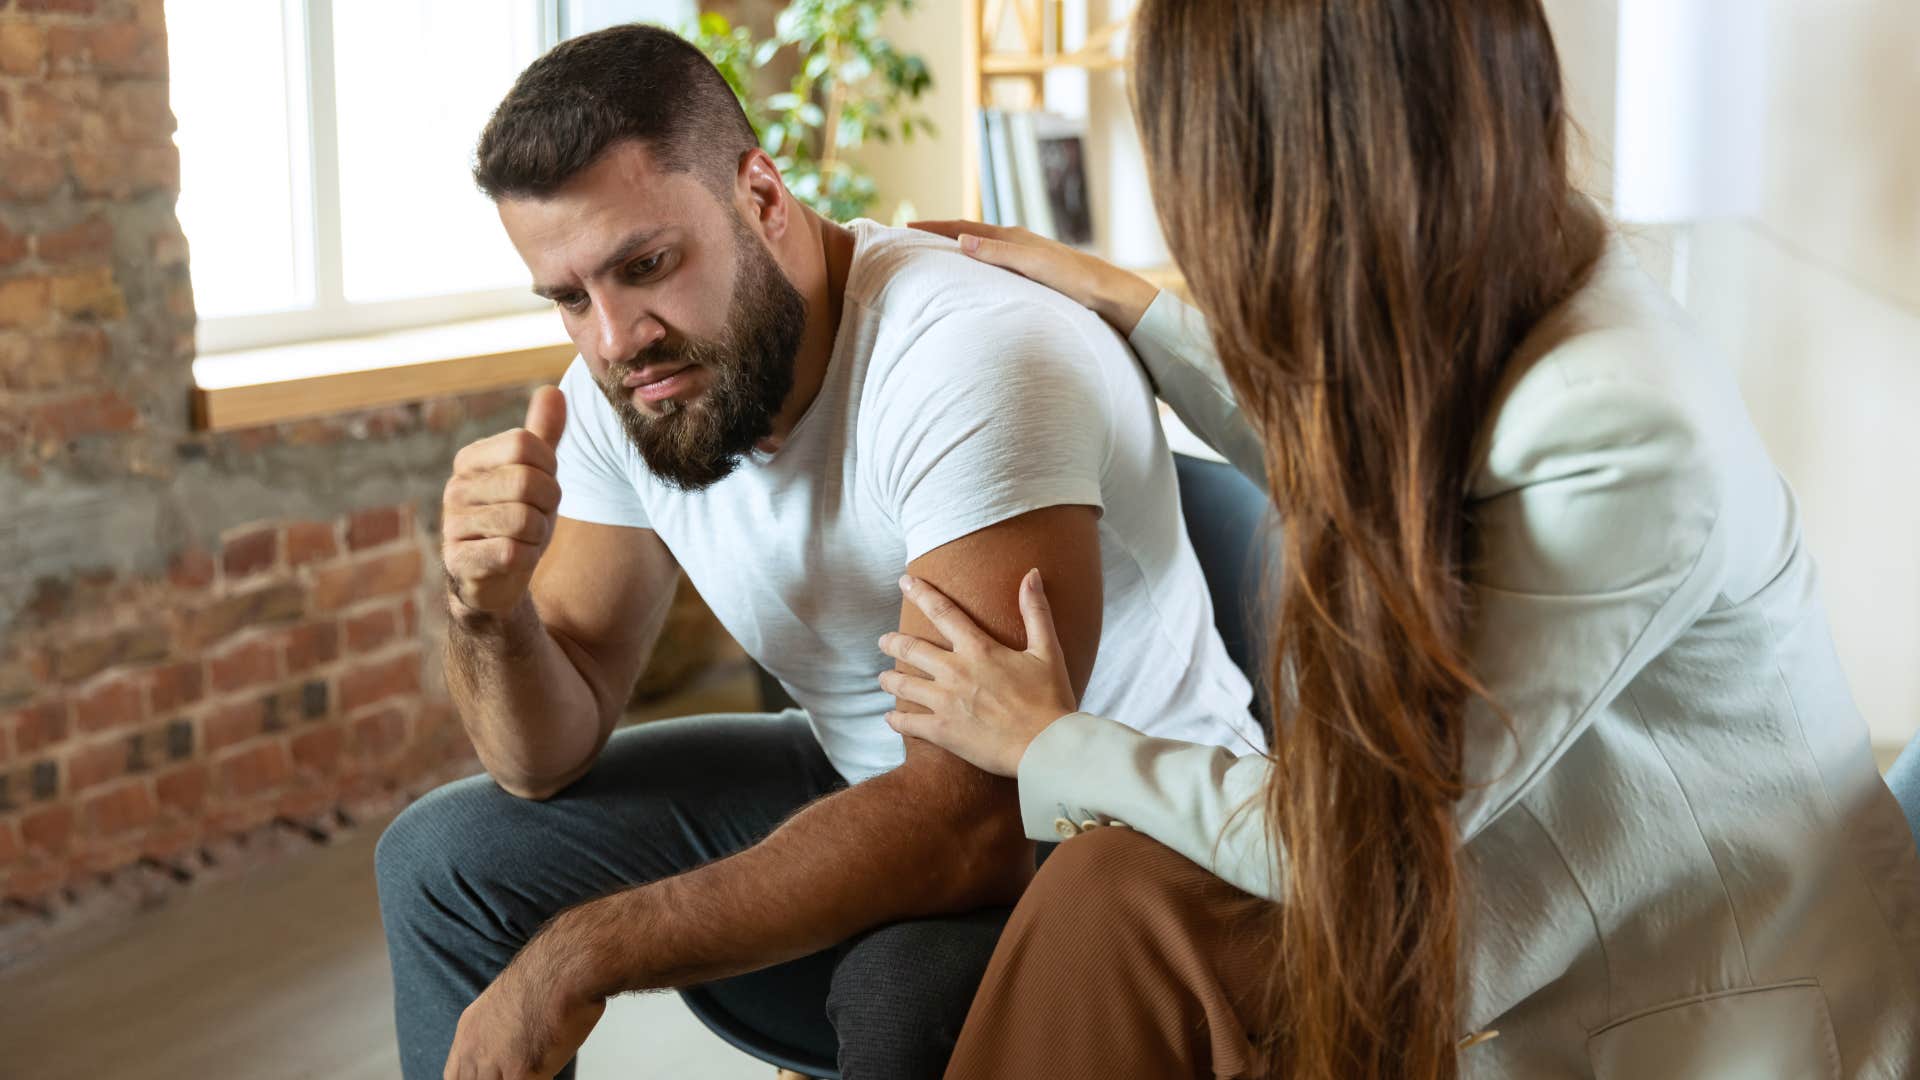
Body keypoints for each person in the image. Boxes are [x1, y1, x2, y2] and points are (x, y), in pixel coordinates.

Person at [877, 1, 1920, 1076]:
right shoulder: (1511, 265)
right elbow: (1390, 451)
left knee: (1116, 912)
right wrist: (1140, 313)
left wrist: (1047, 737)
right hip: (1518, 900)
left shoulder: (1627, 435)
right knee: (1114, 908)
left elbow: (1347, 841)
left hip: (1705, 1000)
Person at [371, 22, 1263, 1080]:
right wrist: (490, 609)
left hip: (1109, 830)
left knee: (901, 992)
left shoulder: (964, 357)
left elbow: (968, 826)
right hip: (876, 780)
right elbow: (539, 755)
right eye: (570, 298)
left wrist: (584, 953)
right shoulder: (622, 390)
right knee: (440, 863)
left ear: (761, 194)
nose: (614, 339)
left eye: (646, 265)